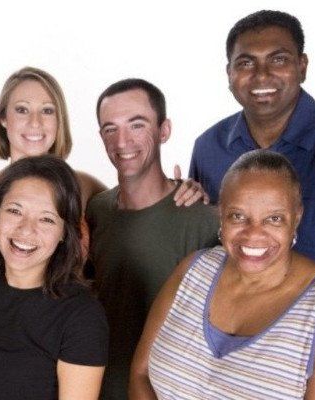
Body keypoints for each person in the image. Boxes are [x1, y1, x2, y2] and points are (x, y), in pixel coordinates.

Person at [129, 150, 315, 399]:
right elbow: (140, 373)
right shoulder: (193, 270)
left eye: (274, 219)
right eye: (238, 216)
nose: (254, 234)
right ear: (221, 214)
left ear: (297, 217)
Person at [188, 10, 315, 299]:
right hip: (232, 322)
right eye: (246, 62)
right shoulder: (209, 148)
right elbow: (207, 257)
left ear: (302, 66)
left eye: (278, 59)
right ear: (229, 74)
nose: (261, 74)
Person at [88, 78, 219, 399]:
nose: (122, 141)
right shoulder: (96, 211)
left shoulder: (203, 221)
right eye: (110, 128)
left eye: (137, 125)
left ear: (164, 130)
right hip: (96, 388)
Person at [0, 155, 109, 400]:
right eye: (15, 211)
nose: (25, 229)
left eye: (46, 219)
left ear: (64, 232)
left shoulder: (82, 317)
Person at [0, 67, 106, 267]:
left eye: (47, 111)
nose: (35, 122)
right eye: (22, 110)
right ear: (3, 118)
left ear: (59, 121)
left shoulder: (87, 188)